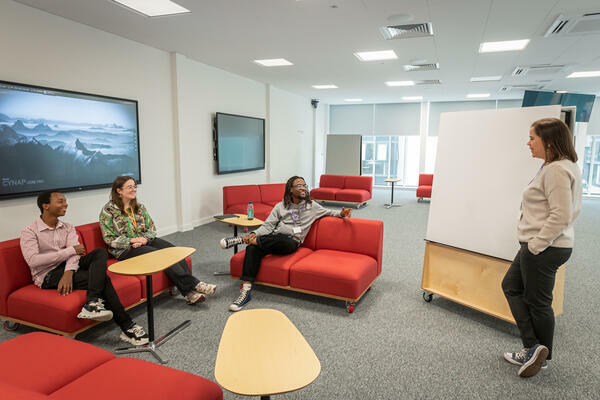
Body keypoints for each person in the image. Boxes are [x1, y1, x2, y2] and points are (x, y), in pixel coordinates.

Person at [502, 118, 582, 378]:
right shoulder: (555, 165)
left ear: (548, 142)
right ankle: (534, 347)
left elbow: (561, 214)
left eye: (532, 138)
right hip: (543, 244)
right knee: (512, 286)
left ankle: (537, 354)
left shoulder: (557, 170)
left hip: (544, 246)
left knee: (538, 302)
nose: (528, 143)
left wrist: (536, 244)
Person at [20, 190, 149, 346]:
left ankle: (93, 302)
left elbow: (77, 254)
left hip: (69, 266)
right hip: (48, 274)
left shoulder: (67, 227)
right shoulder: (29, 232)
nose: (65, 204)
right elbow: (34, 261)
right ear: (45, 206)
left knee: (99, 253)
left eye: (65, 200)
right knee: (103, 279)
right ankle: (127, 326)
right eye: (60, 201)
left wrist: (69, 272)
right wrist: (70, 251)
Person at [220, 175, 352, 311]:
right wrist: (254, 234)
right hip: (273, 238)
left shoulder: (312, 206)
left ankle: (241, 240)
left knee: (280, 242)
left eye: (304, 185)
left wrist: (342, 214)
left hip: (291, 242)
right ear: (290, 190)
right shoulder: (281, 206)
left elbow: (331, 212)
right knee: (252, 249)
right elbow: (268, 226)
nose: (303, 188)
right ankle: (246, 292)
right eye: (299, 185)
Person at [100, 176, 216, 305]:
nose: (134, 190)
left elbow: (152, 229)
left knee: (175, 252)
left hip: (144, 241)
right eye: (129, 187)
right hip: (124, 249)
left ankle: (190, 293)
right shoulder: (108, 211)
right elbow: (109, 239)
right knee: (161, 256)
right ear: (119, 191)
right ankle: (194, 286)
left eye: (134, 186)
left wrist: (143, 239)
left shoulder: (139, 207)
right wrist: (132, 241)